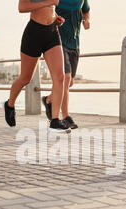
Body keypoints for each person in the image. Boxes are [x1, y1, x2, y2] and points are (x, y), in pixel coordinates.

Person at [4, 0, 70, 133]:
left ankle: (55, 121)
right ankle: (9, 104)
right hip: (34, 34)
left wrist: (54, 15)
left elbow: (50, 6)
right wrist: (48, 3)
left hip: (52, 31)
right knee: (25, 78)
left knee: (60, 77)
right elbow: (22, 7)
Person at [42, 0, 90, 130]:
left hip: (75, 44)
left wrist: (86, 20)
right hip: (58, 42)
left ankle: (49, 99)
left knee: (69, 83)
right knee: (65, 78)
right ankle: (65, 117)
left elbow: (86, 11)